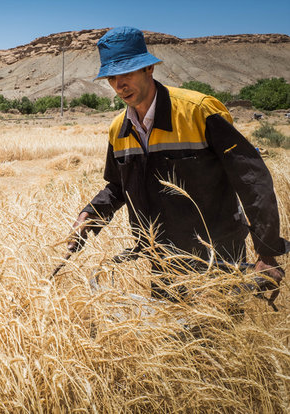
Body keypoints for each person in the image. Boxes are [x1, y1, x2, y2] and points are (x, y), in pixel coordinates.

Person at [68, 26, 287, 301]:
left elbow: (252, 178)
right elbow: (118, 187)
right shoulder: (118, 129)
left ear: (149, 69)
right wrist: (89, 215)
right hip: (161, 258)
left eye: (127, 73)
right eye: (111, 77)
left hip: (216, 255)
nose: (119, 84)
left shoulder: (199, 111)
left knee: (218, 339)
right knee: (173, 338)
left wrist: (266, 252)